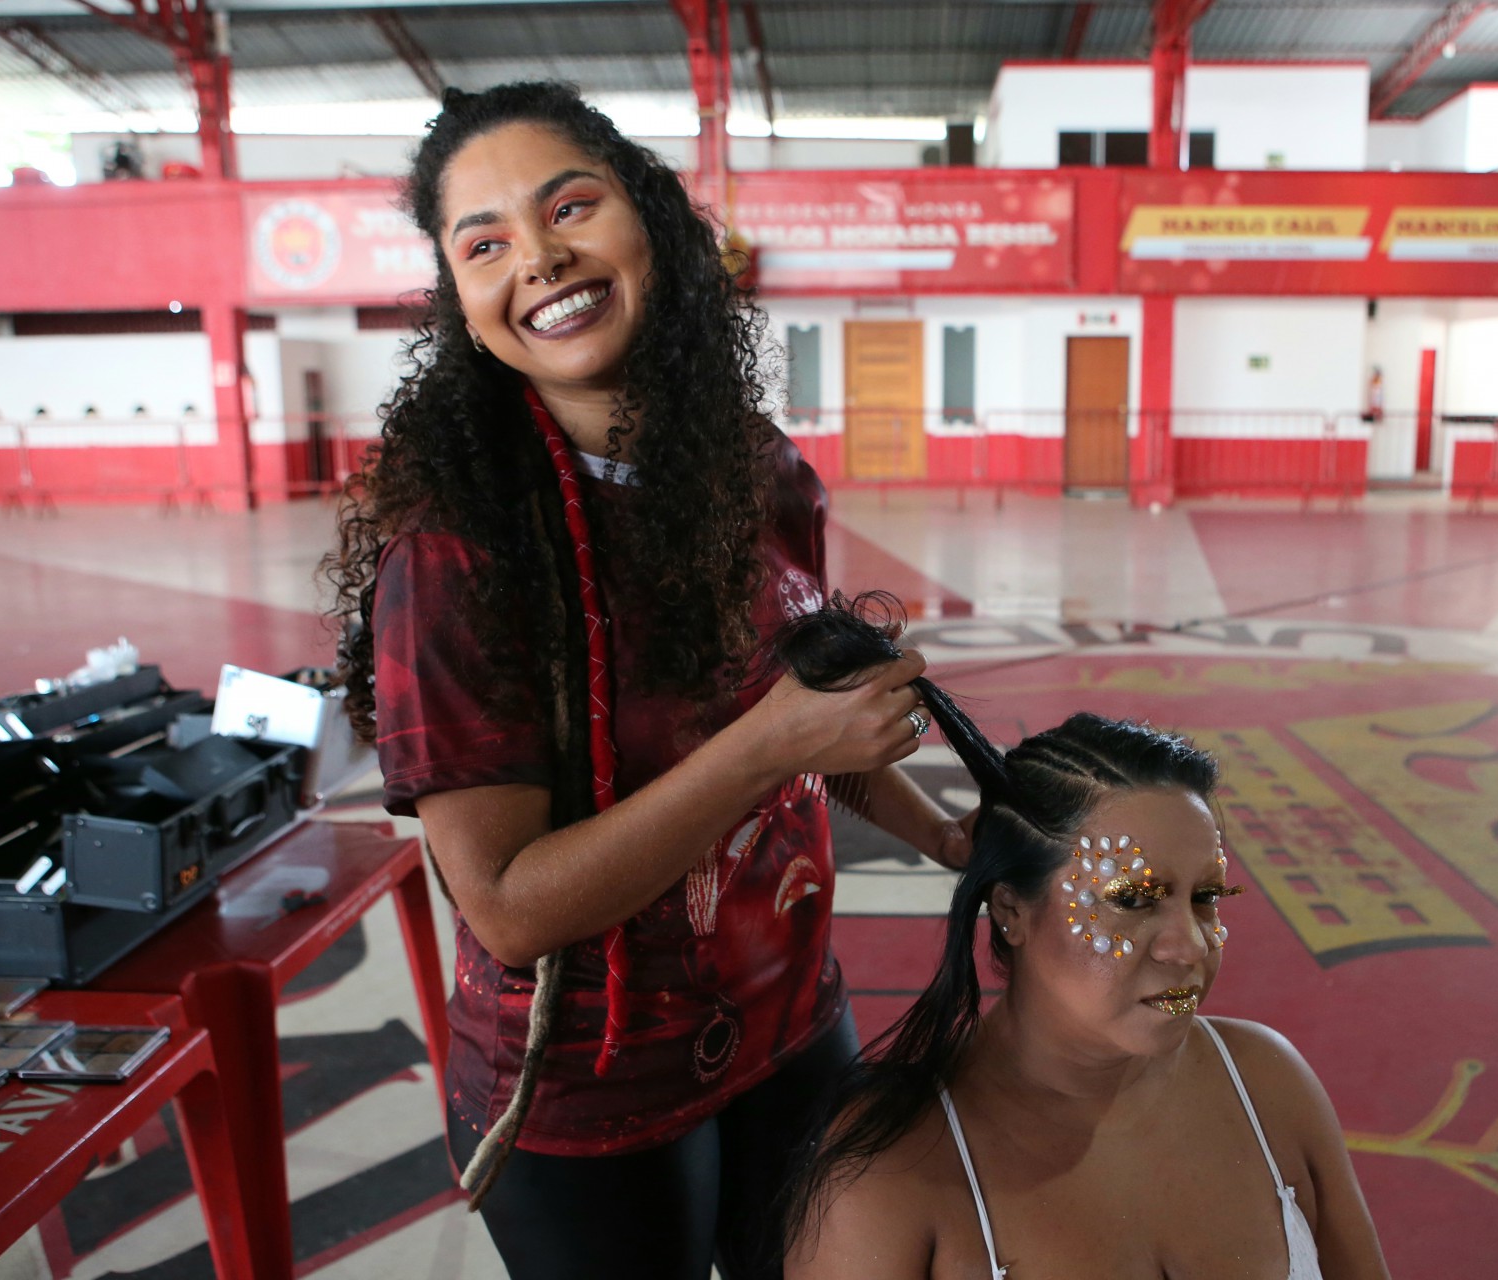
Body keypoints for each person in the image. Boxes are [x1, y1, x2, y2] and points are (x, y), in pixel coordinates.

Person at [324, 82, 971, 1280]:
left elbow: (807, 717)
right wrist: (771, 744)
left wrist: (946, 831)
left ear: (652, 220)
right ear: (461, 302)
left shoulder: (759, 471)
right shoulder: (456, 554)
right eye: (484, 243)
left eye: (569, 206)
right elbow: (508, 906)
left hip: (789, 1022)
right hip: (590, 1093)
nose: (539, 257)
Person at [777, 600, 1390, 1280]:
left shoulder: (1271, 1085)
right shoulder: (886, 1178)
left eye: (1205, 897)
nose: (1190, 947)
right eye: (1132, 900)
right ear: (1011, 910)